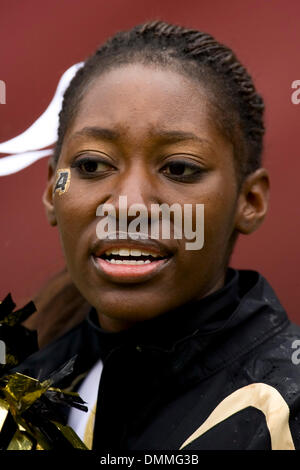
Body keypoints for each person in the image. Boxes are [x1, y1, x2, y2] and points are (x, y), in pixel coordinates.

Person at [15, 19, 300, 451]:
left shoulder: (286, 410)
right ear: (53, 190)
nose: (129, 206)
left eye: (180, 168)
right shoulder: (17, 393)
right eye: (92, 165)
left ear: (250, 201)